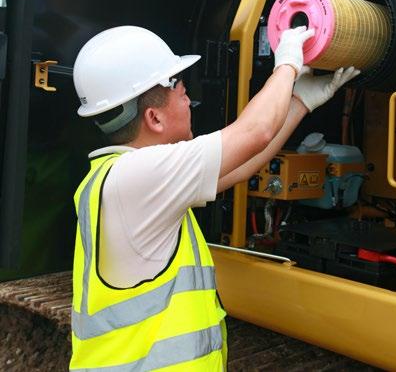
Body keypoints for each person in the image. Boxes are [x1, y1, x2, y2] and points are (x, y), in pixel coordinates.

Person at [69, 25, 359, 371]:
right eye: (181, 93)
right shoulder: (139, 177)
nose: (189, 101)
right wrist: (287, 65)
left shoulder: (124, 178)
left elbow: (244, 162)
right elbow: (254, 131)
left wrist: (299, 101)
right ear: (154, 117)